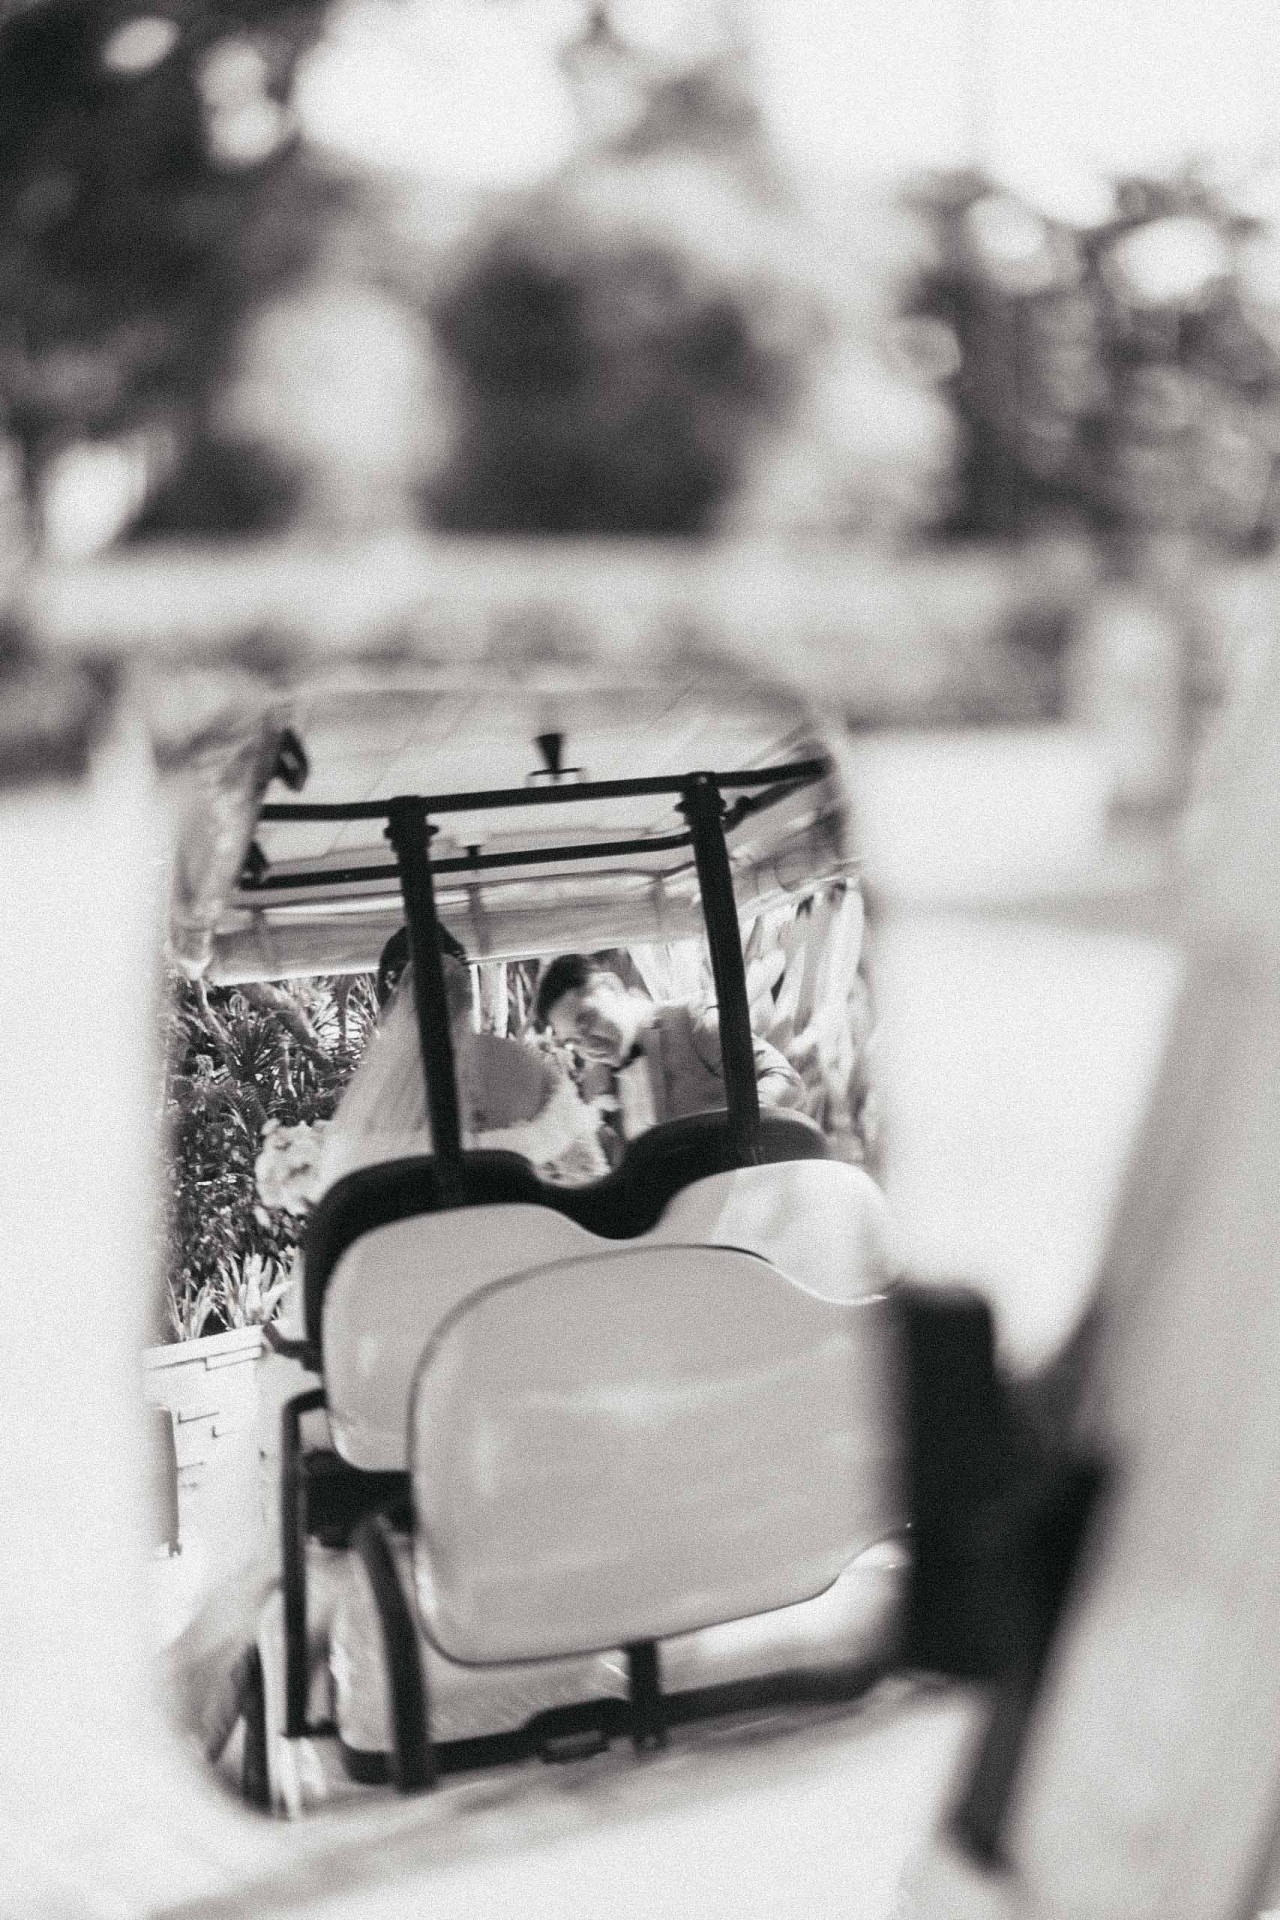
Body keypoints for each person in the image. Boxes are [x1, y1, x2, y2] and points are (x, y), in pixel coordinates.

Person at [318, 929, 609, 1188]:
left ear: (387, 1007)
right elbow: (589, 1179)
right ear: (466, 992)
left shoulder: (369, 1101)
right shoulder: (528, 1067)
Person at [534, 952, 805, 1142]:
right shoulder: (603, 1088)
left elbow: (786, 1081)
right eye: (574, 1042)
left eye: (586, 1021)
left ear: (611, 986)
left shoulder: (692, 1020)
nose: (589, 1046)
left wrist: (728, 1137)